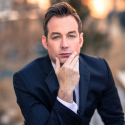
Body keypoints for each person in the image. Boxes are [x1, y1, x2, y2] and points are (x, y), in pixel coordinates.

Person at [13, 2, 124, 125]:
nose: (64, 44)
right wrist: (65, 91)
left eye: (71, 36)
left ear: (80, 40)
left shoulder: (100, 68)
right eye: (56, 37)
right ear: (45, 42)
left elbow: (115, 120)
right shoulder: (25, 79)